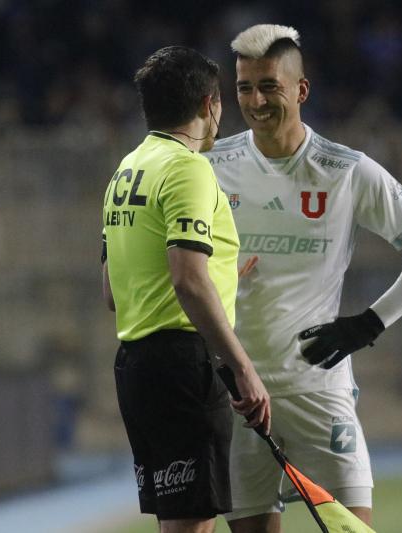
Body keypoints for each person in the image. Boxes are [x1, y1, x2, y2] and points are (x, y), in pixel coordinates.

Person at [206, 24, 402, 532]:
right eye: (244, 88)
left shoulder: (345, 170)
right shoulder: (211, 166)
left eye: (269, 86)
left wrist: (368, 324)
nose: (256, 101)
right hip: (236, 394)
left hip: (317, 390)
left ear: (301, 90)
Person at [101, 46, 271, 533]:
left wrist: (221, 278)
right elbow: (188, 279)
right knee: (192, 525)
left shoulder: (126, 171)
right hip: (183, 367)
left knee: (176, 522)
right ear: (208, 104)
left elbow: (113, 291)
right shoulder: (188, 167)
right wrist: (243, 369)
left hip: (136, 368)